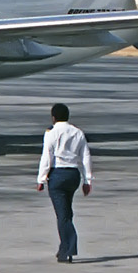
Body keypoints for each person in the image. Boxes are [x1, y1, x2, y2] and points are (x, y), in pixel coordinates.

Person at [35, 103, 92, 263]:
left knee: (62, 215)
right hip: (73, 175)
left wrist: (41, 178)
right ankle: (63, 249)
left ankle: (69, 247)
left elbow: (47, 157)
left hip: (58, 175)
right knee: (67, 212)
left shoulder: (51, 134)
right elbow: (85, 156)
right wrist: (87, 180)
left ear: (53, 117)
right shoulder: (78, 132)